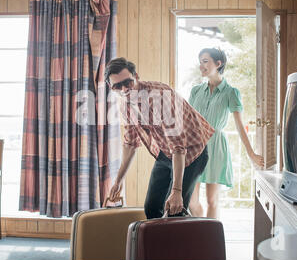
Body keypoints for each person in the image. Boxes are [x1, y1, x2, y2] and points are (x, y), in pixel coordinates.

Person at [106, 57, 215, 219]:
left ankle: (185, 241)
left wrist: (176, 191)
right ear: (111, 86)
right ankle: (158, 243)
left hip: (191, 153)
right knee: (151, 208)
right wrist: (118, 181)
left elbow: (179, 147)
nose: (124, 90)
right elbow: (130, 144)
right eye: (117, 86)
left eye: (127, 83)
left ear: (136, 76)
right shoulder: (125, 104)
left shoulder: (159, 97)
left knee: (175, 209)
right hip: (166, 153)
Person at [188, 48, 264, 219]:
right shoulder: (196, 91)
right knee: (191, 201)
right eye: (200, 61)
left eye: (205, 61)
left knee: (212, 200)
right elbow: (188, 120)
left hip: (216, 147)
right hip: (194, 146)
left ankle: (209, 238)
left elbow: (239, 125)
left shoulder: (231, 92)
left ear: (218, 64)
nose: (201, 65)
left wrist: (251, 154)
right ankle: (200, 229)